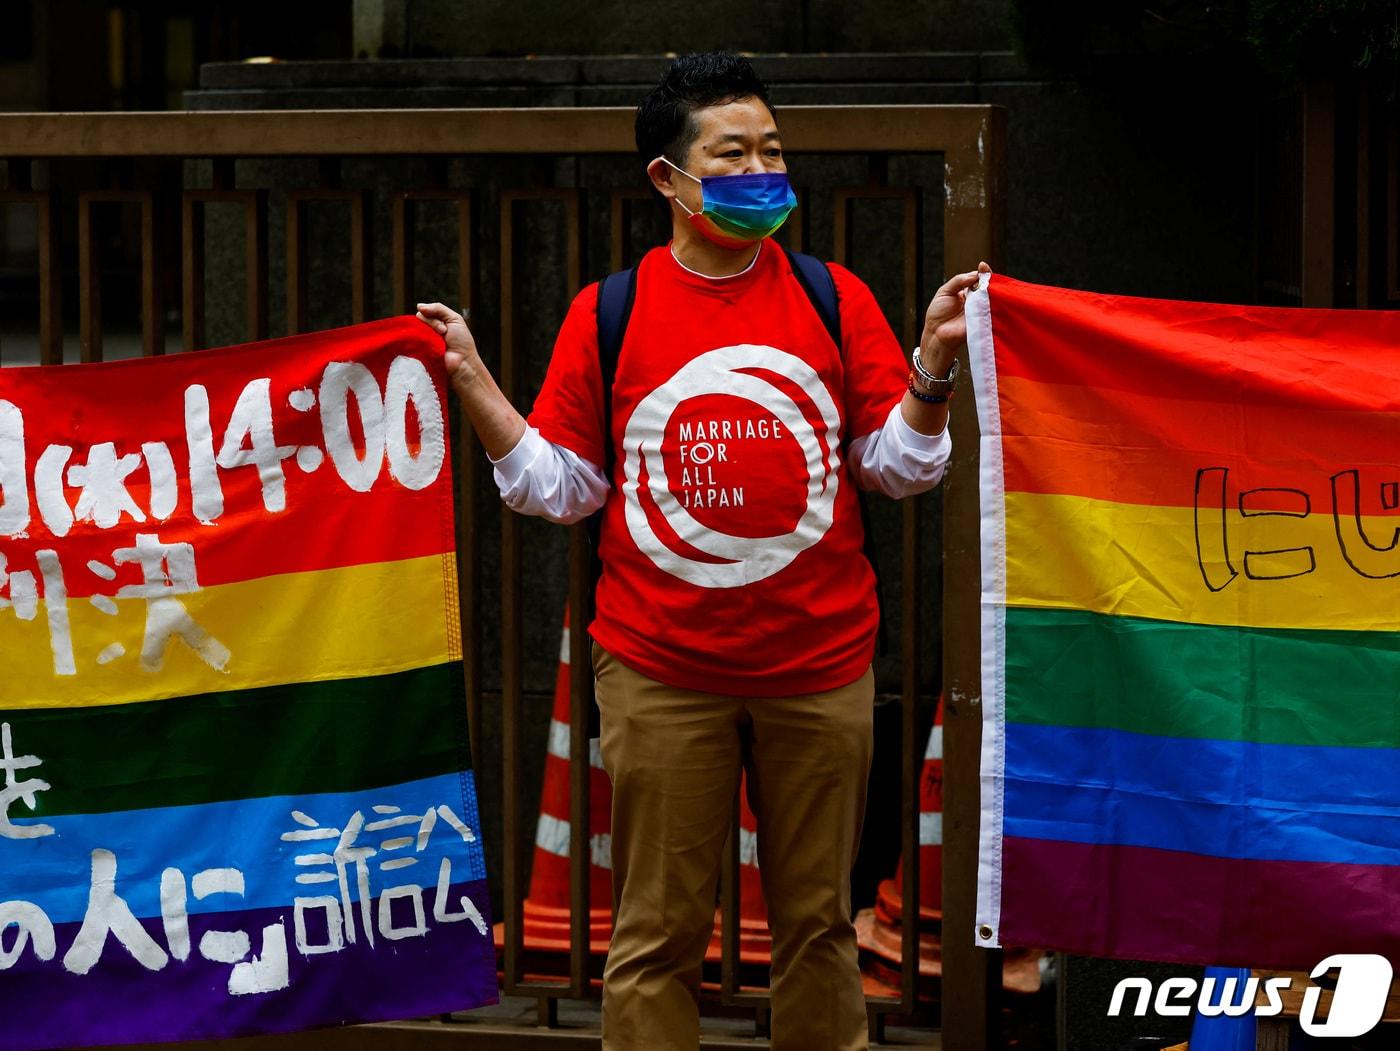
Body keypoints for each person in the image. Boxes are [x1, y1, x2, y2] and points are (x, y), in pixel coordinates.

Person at [418, 50, 986, 1051]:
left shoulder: (830, 296)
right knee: (654, 934)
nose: (759, 168)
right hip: (658, 669)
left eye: (771, 148)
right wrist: (472, 383)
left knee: (817, 928)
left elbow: (895, 467)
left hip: (819, 666)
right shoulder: (609, 312)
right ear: (668, 181)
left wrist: (932, 366)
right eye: (731, 152)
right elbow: (562, 488)